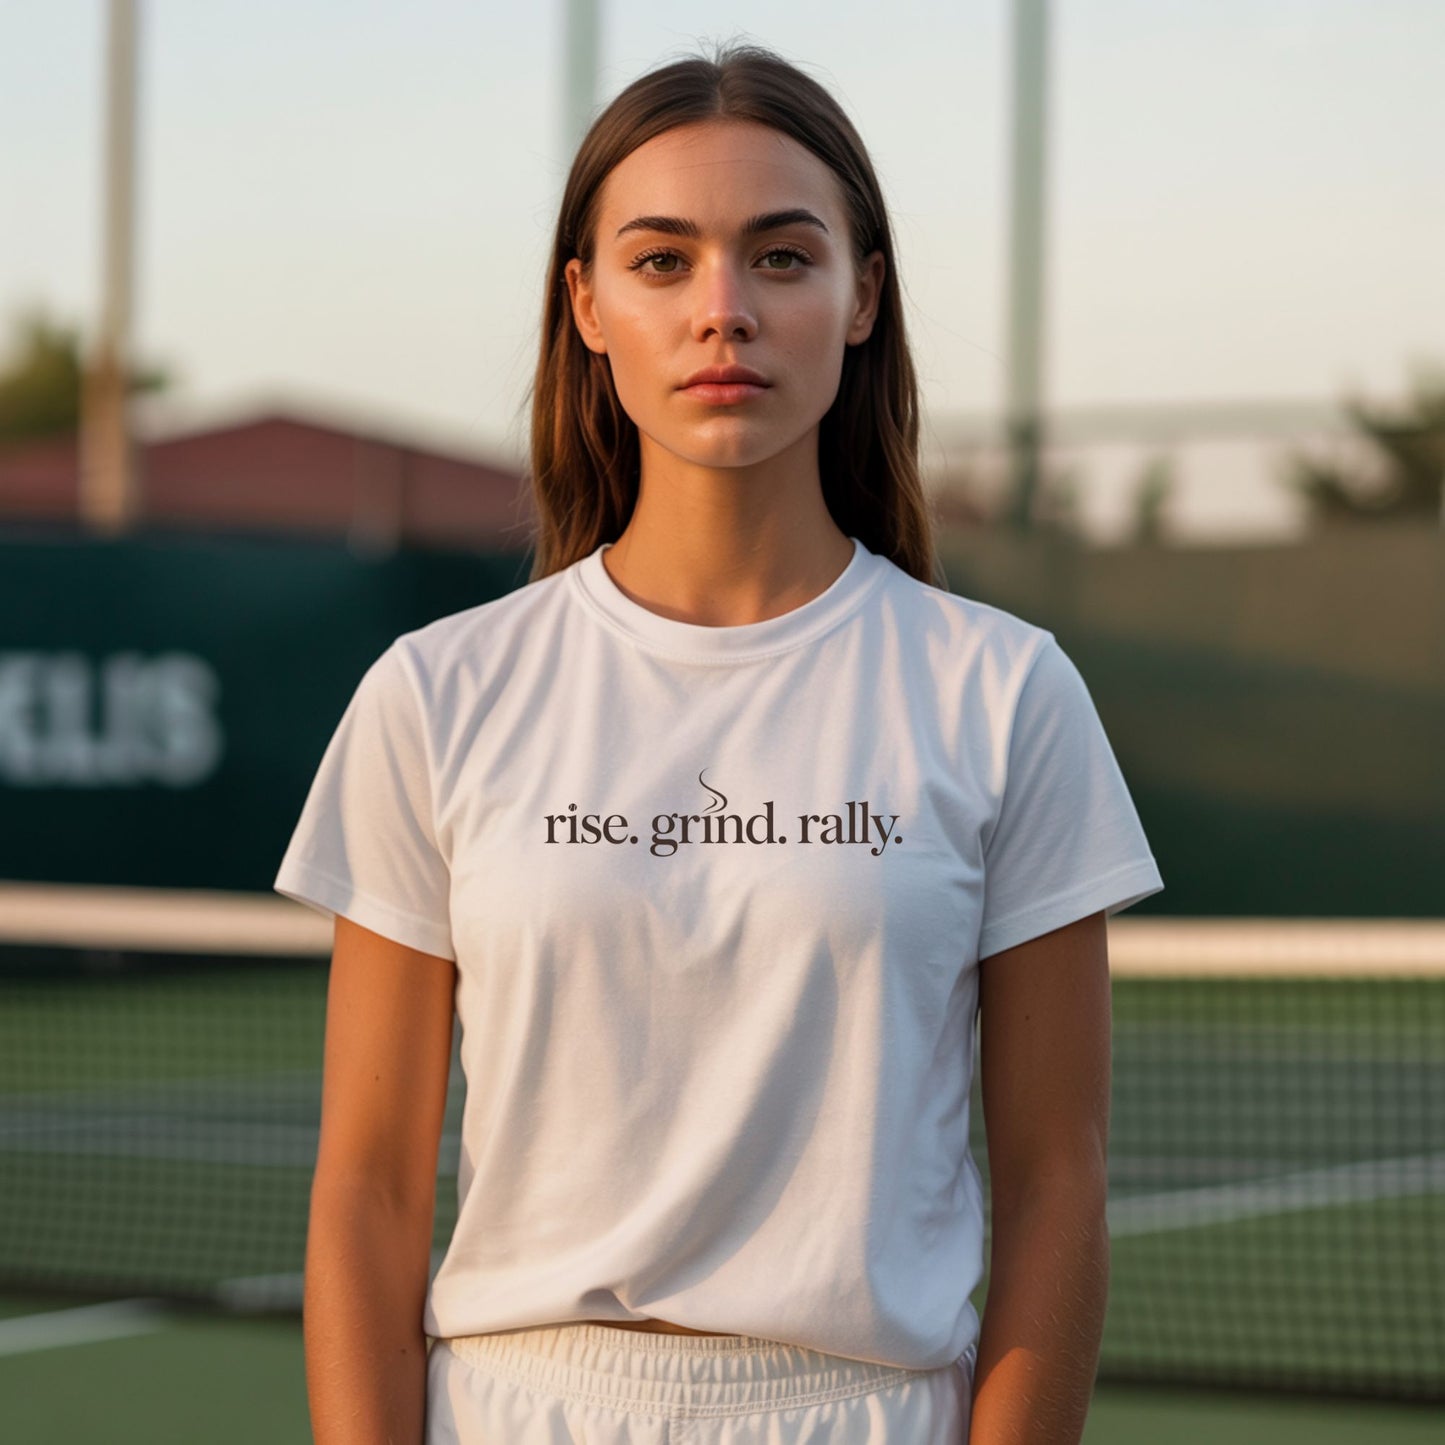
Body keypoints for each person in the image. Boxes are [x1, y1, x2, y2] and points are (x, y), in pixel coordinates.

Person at [274, 39, 1164, 1445]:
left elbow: (1059, 1181)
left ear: (862, 297)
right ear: (587, 304)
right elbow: (367, 1193)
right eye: (662, 260)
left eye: (783, 258)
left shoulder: (1002, 693)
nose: (723, 311)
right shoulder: (437, 693)